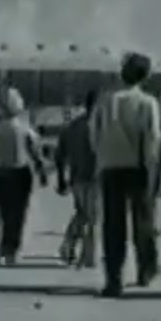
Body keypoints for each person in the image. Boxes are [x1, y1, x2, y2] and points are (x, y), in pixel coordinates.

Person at [90, 52, 161, 297]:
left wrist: (102, 155)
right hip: (138, 167)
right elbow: (153, 139)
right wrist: (152, 168)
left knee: (113, 224)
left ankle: (114, 278)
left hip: (110, 166)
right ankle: (145, 269)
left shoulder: (105, 100)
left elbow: (94, 134)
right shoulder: (147, 102)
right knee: (143, 221)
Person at [0, 88, 48, 264]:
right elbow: (35, 152)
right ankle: (11, 248)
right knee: (17, 215)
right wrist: (42, 172)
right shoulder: (24, 128)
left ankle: (4, 246)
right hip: (19, 174)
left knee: (4, 214)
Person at [55, 90, 100, 268]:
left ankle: (69, 246)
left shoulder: (72, 126)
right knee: (93, 218)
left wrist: (61, 178)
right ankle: (88, 256)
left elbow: (60, 155)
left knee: (83, 214)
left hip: (77, 178)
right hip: (95, 177)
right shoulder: (101, 127)